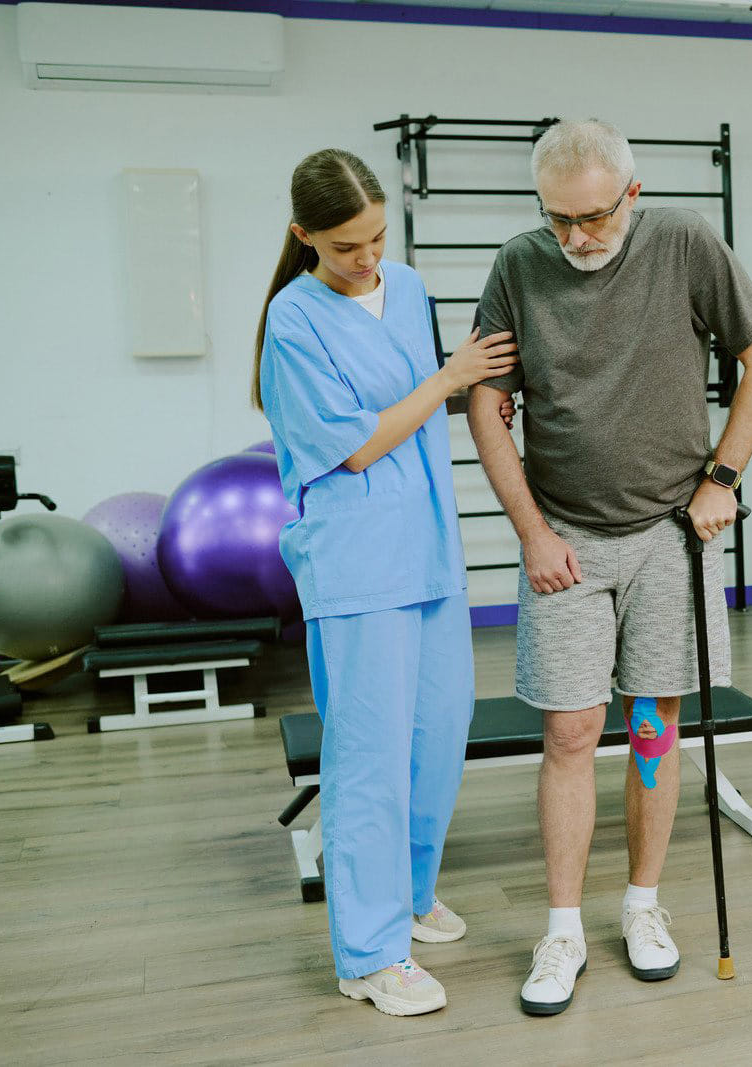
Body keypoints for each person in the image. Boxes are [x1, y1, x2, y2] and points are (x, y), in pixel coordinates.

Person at [467, 120, 752, 1016]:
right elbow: (487, 407)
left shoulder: (684, 242)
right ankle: (562, 927)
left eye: (594, 217)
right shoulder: (517, 267)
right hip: (565, 534)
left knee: (654, 722)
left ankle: (642, 906)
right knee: (570, 731)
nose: (575, 237)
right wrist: (531, 530)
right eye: (558, 218)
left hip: (667, 536)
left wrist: (723, 475)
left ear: (632, 196)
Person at [253, 148, 517, 1017]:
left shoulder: (405, 287)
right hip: (358, 559)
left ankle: (408, 893)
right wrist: (450, 377)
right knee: (367, 757)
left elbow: (425, 401)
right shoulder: (293, 323)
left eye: (375, 237)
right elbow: (357, 443)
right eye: (344, 246)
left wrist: (473, 391)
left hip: (430, 544)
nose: (367, 258)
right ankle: (367, 952)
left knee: (439, 730)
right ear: (304, 237)